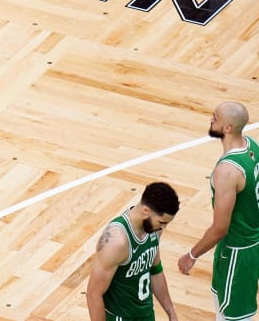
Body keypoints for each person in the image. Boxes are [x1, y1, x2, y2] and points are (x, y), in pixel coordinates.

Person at [178, 101, 259, 320]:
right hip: (248, 242)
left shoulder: (228, 171)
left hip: (238, 251)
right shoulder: (252, 146)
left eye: (215, 117)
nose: (210, 119)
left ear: (227, 128)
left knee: (233, 316)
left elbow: (220, 227)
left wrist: (192, 255)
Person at [87, 181, 180, 320]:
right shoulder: (117, 241)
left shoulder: (154, 229)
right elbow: (93, 294)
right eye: (162, 222)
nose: (164, 227)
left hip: (145, 314)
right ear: (145, 211)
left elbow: (155, 270)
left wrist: (170, 311)